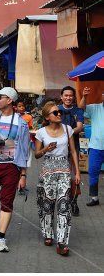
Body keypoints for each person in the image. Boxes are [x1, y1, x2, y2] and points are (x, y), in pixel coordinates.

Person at [0, 87, 29, 252]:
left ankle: (1, 237)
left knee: (7, 202)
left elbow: (24, 150)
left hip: (11, 166)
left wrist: (23, 174)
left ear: (9, 100)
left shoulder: (21, 123)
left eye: (0, 97)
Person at [34, 101, 80, 256]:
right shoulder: (41, 132)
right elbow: (37, 154)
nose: (59, 114)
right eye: (55, 112)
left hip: (65, 171)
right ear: (47, 117)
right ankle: (48, 233)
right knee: (46, 204)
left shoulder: (68, 130)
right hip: (47, 170)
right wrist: (46, 149)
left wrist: (77, 173)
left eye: (59, 112)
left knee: (63, 205)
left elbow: (73, 151)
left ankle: (61, 242)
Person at [58, 85, 84, 215]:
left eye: (70, 95)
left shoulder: (78, 111)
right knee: (62, 175)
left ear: (73, 97)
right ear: (61, 97)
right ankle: (64, 200)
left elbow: (79, 127)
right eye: (66, 95)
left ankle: (74, 200)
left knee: (75, 176)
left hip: (75, 148)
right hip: (59, 149)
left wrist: (65, 134)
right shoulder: (56, 110)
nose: (68, 97)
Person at [78, 88, 104, 206]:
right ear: (102, 96)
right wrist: (84, 96)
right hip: (96, 147)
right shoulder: (95, 107)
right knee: (93, 171)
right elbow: (81, 107)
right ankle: (94, 198)